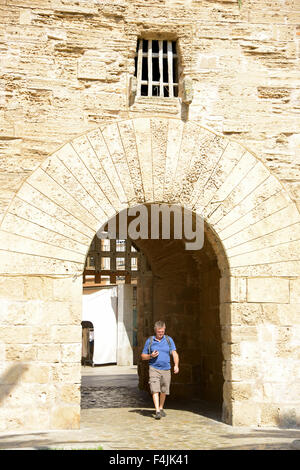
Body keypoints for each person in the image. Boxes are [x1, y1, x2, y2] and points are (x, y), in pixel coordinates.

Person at [141, 320, 179, 420]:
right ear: (155, 330)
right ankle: (157, 410)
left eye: (162, 331)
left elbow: (174, 353)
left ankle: (161, 407)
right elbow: (143, 356)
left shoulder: (168, 340)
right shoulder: (150, 341)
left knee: (164, 390)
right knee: (155, 389)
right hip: (154, 368)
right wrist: (150, 355)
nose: (161, 333)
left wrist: (176, 365)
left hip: (166, 369)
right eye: (159, 332)